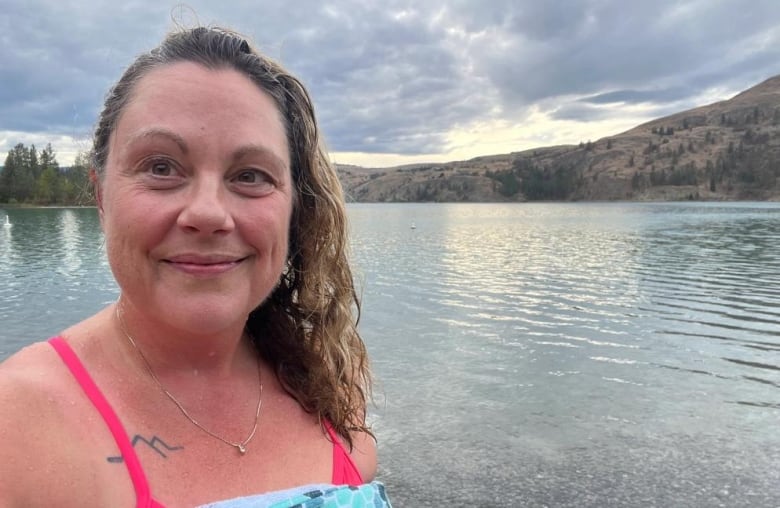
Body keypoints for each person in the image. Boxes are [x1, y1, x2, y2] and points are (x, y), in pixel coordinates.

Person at [0, 26, 390, 507]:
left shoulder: (328, 381)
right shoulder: (16, 424)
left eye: (250, 176)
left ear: (294, 209)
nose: (207, 213)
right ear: (102, 195)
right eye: (161, 167)